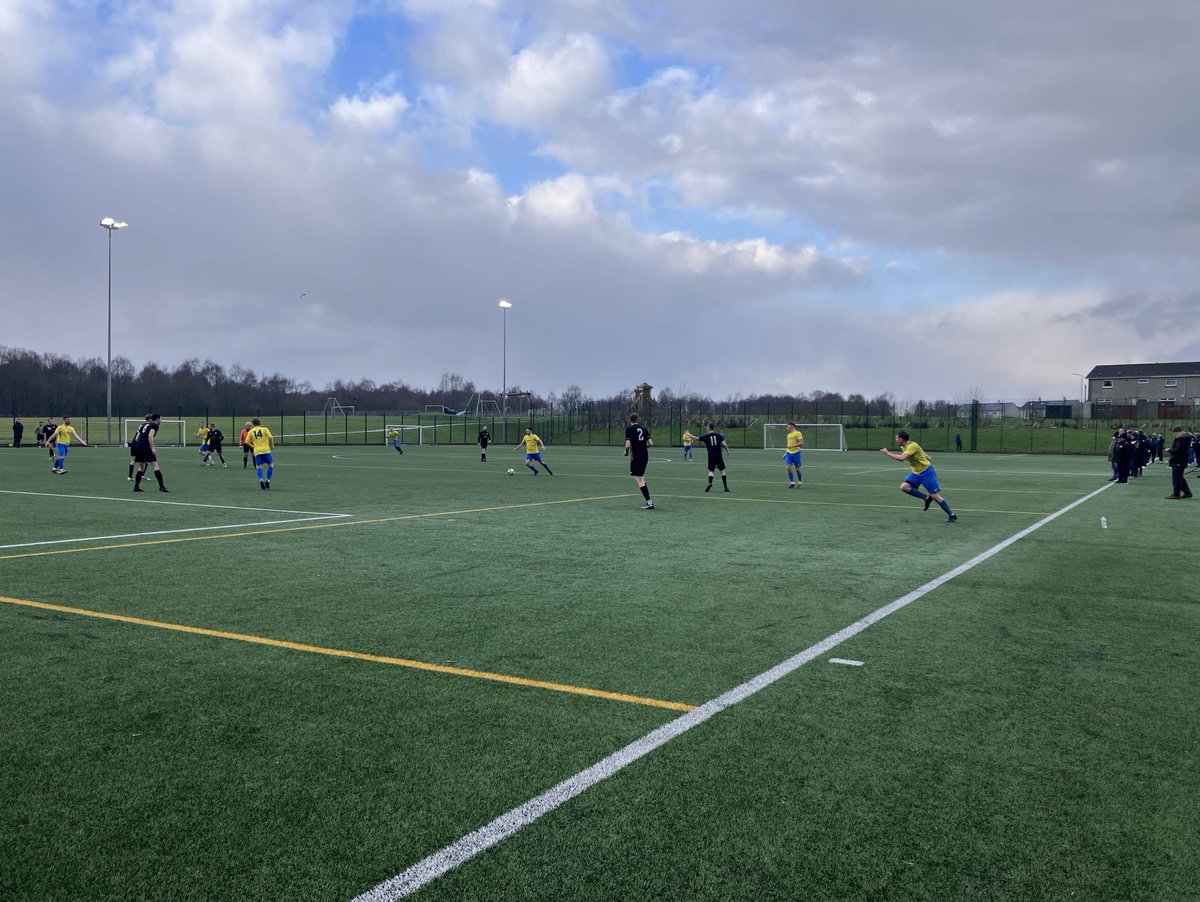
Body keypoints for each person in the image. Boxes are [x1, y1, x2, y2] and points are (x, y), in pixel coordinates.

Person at [880, 430, 956, 523]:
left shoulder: (912, 446)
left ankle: (952, 515)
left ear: (901, 439)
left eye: (896, 438)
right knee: (904, 487)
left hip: (926, 472)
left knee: (935, 496)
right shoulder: (905, 446)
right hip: (916, 473)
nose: (895, 439)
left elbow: (902, 458)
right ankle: (926, 498)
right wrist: (925, 455)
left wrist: (887, 453)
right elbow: (918, 449)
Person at [132, 414, 169, 492]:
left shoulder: (143, 425)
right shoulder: (154, 425)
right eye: (160, 419)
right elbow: (150, 436)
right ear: (157, 419)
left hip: (138, 446)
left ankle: (136, 487)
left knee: (141, 467)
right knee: (155, 465)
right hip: (146, 446)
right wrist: (152, 447)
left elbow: (137, 437)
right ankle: (161, 486)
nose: (161, 421)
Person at [624, 412, 654, 509]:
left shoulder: (629, 429)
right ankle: (648, 501)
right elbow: (651, 443)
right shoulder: (644, 429)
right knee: (641, 478)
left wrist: (626, 451)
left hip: (636, 456)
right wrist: (643, 446)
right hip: (645, 456)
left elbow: (628, 444)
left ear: (630, 420)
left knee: (639, 480)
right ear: (638, 419)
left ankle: (649, 502)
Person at [699, 422, 730, 492]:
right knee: (722, 470)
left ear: (709, 428)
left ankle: (710, 483)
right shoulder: (718, 436)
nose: (706, 428)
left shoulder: (706, 436)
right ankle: (725, 487)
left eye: (707, 426)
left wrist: (688, 434)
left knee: (711, 471)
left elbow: (696, 438)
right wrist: (727, 450)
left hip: (711, 456)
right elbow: (724, 444)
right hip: (719, 455)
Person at [1165, 426, 1194, 499]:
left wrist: (1170, 450)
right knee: (1180, 477)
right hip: (1181, 460)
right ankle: (1187, 492)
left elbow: (1178, 450)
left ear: (1177, 432)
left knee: (1177, 478)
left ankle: (1176, 493)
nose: (1173, 434)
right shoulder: (1184, 438)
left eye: (1173, 433)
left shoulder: (1181, 439)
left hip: (1178, 460)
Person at [246, 418, 275, 489]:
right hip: (266, 450)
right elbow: (270, 437)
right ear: (260, 423)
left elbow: (246, 442)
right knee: (270, 465)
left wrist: (253, 446)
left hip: (257, 451)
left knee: (259, 467)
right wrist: (272, 446)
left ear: (253, 424)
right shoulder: (264, 429)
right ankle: (268, 480)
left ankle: (261, 479)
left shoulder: (251, 431)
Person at [129, 414, 151, 479]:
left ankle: (129, 476)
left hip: (134, 443)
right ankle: (141, 475)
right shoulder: (148, 426)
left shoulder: (141, 425)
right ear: (149, 419)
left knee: (133, 460)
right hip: (140, 444)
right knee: (144, 461)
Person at [783, 421, 804, 488]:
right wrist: (785, 453)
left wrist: (792, 446)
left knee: (797, 469)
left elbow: (801, 443)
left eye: (787, 426)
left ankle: (800, 481)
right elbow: (788, 446)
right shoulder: (788, 435)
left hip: (796, 453)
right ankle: (792, 483)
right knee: (788, 468)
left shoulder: (798, 433)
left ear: (791, 426)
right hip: (789, 453)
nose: (787, 428)